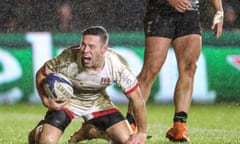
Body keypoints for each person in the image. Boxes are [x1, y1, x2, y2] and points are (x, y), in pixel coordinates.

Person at [28, 26, 147, 144]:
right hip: (68, 101)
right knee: (46, 141)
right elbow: (41, 74)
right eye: (83, 45)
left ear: (104, 49)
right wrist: (45, 100)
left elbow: (137, 99)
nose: (85, 50)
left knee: (128, 141)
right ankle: (39, 132)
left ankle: (90, 131)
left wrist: (142, 132)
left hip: (98, 101)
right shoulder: (68, 58)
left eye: (91, 46)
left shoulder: (117, 65)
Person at [136, 0, 223, 142]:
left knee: (190, 68)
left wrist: (219, 11)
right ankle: (131, 125)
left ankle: (179, 127)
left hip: (189, 11)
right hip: (161, 10)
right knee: (151, 70)